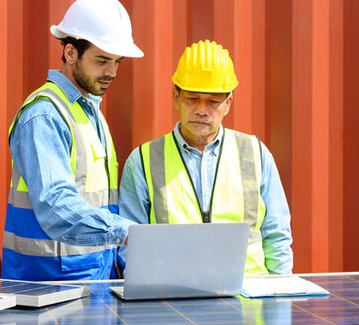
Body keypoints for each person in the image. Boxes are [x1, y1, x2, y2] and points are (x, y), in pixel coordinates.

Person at [118, 40, 293, 275]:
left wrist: (278, 298)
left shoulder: (256, 154)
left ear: (228, 103)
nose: (202, 110)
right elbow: (129, 244)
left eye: (213, 101)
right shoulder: (142, 161)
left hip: (250, 301)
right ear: (176, 97)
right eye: (192, 98)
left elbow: (277, 235)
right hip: (174, 300)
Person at [2, 0, 142, 281]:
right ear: (70, 53)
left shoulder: (89, 112)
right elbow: (55, 205)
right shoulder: (45, 115)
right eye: (102, 60)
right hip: (48, 287)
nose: (112, 72)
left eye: (117, 61)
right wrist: (124, 231)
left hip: (91, 279)